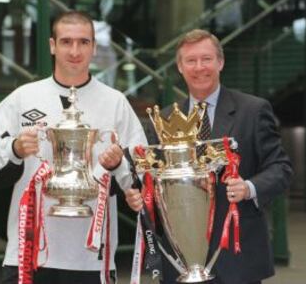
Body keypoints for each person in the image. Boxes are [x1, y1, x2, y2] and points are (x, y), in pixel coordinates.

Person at [0, 11, 147, 284]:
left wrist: (118, 165)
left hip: (92, 257)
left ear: (93, 46)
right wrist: (15, 149)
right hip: (28, 254)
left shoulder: (115, 104)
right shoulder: (23, 98)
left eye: (83, 42)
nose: (75, 51)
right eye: (66, 42)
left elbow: (141, 171)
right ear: (52, 45)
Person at [124, 29, 292, 284]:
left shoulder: (253, 110)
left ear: (220, 62)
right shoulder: (164, 120)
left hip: (237, 258)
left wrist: (248, 188)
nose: (199, 67)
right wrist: (137, 193)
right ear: (180, 67)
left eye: (207, 59)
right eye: (191, 61)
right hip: (179, 258)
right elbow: (150, 178)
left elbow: (280, 168)